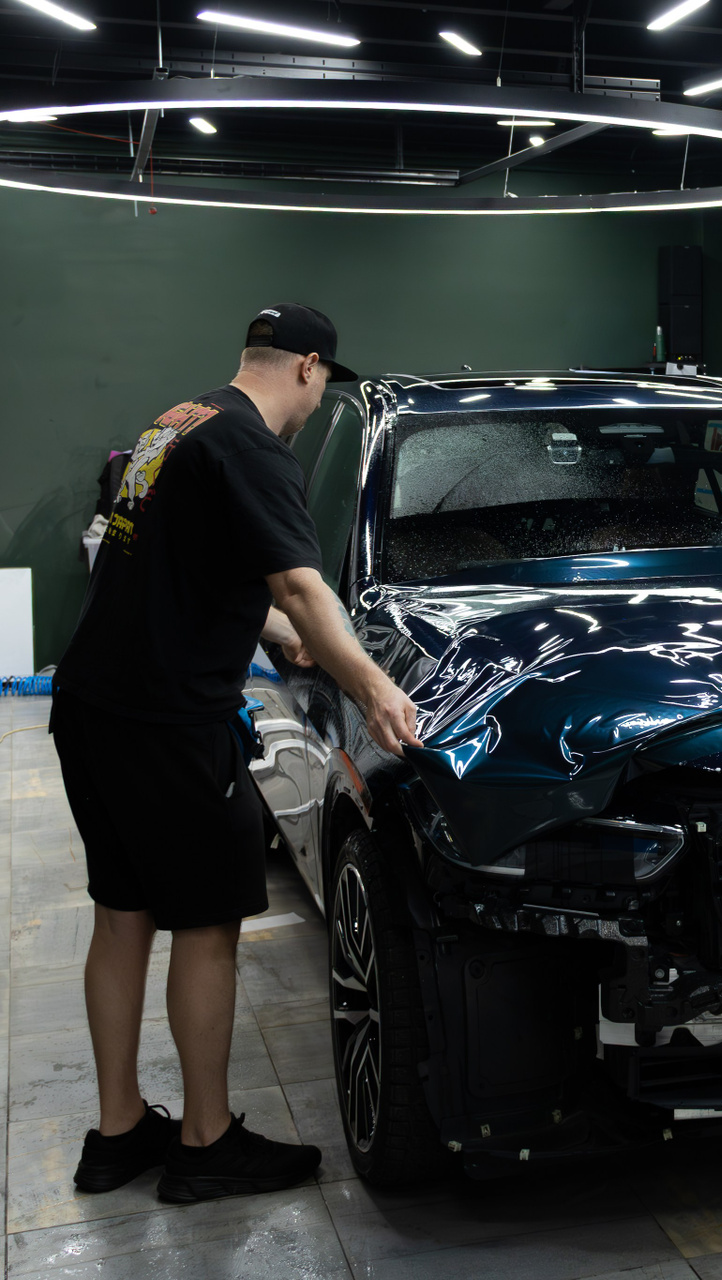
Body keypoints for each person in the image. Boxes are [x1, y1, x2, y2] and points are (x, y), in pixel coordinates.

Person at [52, 303, 423, 1202]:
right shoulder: (257, 449)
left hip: (94, 708)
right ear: (308, 367)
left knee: (122, 915)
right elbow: (299, 584)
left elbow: (177, 569)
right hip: (171, 726)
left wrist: (277, 632)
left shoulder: (179, 423)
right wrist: (375, 688)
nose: (319, 399)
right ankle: (206, 1142)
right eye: (323, 383)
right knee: (208, 928)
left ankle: (117, 1134)